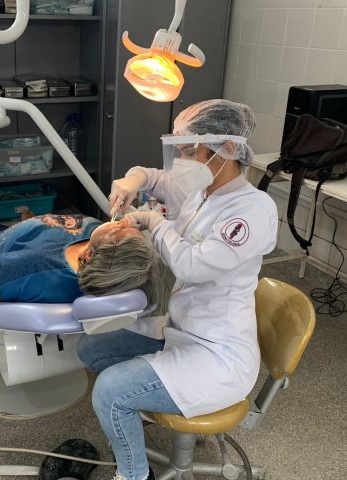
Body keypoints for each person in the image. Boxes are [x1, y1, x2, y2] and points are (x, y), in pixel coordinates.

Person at [78, 99, 279, 480]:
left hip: (218, 355)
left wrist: (153, 222)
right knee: (92, 349)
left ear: (228, 148)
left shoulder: (252, 210)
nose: (182, 161)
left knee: (110, 392)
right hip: (182, 329)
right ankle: (146, 404)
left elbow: (192, 265)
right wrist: (132, 185)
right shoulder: (201, 191)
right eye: (180, 151)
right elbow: (153, 177)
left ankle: (134, 475)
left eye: (190, 152)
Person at [0, 213, 171, 315]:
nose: (121, 222)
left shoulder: (32, 266)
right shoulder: (105, 256)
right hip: (29, 236)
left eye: (119, 230)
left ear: (90, 255)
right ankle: (26, 221)